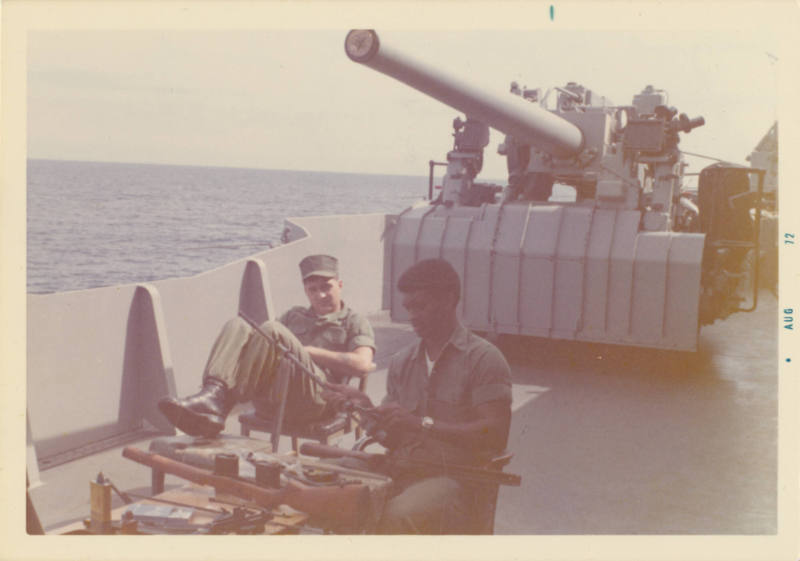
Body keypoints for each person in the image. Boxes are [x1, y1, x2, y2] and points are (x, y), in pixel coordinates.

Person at [324, 258, 512, 534]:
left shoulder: (484, 359)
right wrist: (365, 409)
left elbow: (494, 434)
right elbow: (392, 437)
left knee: (398, 515)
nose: (412, 315)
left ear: (449, 300)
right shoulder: (404, 362)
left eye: (420, 306)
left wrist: (420, 424)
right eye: (408, 307)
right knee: (323, 482)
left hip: (456, 479)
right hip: (403, 468)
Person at [158, 254, 376, 438]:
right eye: (313, 289)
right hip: (274, 399)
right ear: (305, 291)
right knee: (238, 325)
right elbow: (262, 347)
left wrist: (308, 353)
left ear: (339, 285)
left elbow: (363, 365)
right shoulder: (294, 316)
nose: (320, 295)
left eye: (326, 287)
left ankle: (221, 404)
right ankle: (213, 393)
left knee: (272, 329)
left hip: (316, 403)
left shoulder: (354, 321)